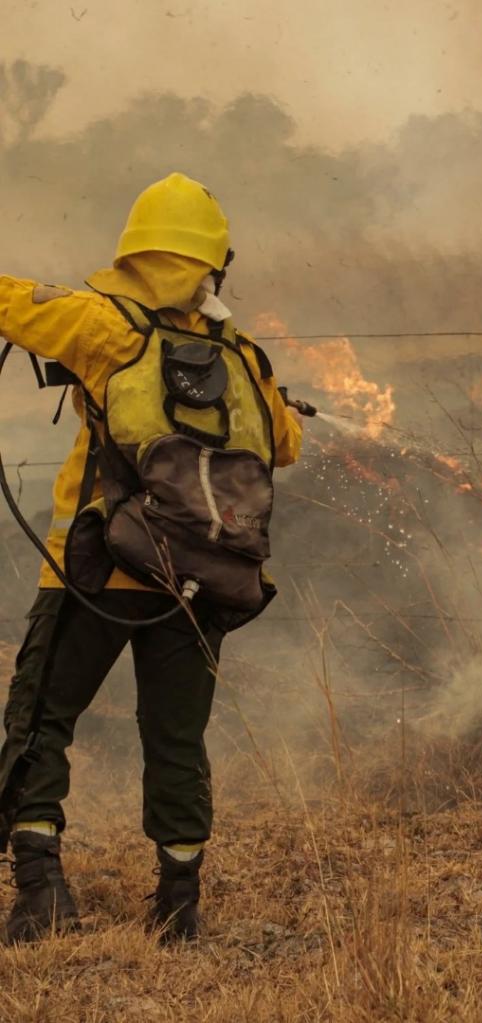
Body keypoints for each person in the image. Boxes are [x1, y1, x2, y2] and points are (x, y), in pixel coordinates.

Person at [0, 172, 303, 943]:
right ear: (211, 263)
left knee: (41, 721)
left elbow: (10, 302)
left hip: (97, 569)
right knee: (176, 738)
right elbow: (286, 446)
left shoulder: (101, 324)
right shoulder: (242, 354)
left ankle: (42, 896)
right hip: (200, 580)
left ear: (135, 250)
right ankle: (178, 904)